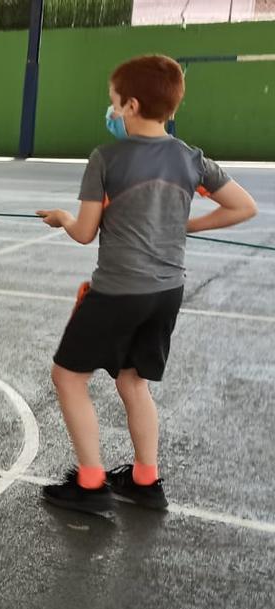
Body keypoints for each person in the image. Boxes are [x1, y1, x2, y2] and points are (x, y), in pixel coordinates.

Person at [37, 55, 258, 514]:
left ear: (132, 105)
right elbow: (243, 206)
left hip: (119, 291)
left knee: (67, 377)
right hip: (166, 292)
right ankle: (143, 480)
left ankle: (92, 482)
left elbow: (84, 232)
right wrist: (187, 225)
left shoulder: (106, 159)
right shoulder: (190, 158)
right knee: (134, 381)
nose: (112, 112)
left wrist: (62, 217)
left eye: (114, 104)